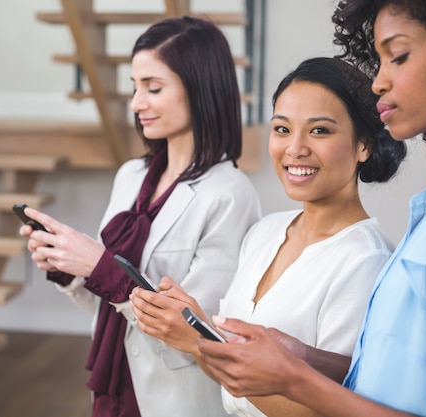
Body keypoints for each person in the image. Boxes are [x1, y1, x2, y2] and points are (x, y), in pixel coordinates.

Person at [194, 1, 426, 416]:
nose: (378, 82)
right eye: (379, 60)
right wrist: (302, 357)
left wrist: (293, 380)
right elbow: (402, 376)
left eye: (398, 56)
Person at [128, 56, 406, 417]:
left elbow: (329, 409)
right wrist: (196, 325)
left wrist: (197, 343)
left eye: (320, 130)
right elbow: (236, 378)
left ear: (364, 146)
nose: (295, 148)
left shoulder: (366, 260)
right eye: (282, 129)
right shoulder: (265, 232)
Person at [19, 16, 261, 417]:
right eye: (135, 87)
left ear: (200, 89)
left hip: (173, 397)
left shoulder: (230, 194)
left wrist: (99, 265)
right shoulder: (130, 175)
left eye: (153, 88)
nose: (136, 104)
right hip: (111, 384)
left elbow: (194, 328)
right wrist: (68, 269)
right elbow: (107, 303)